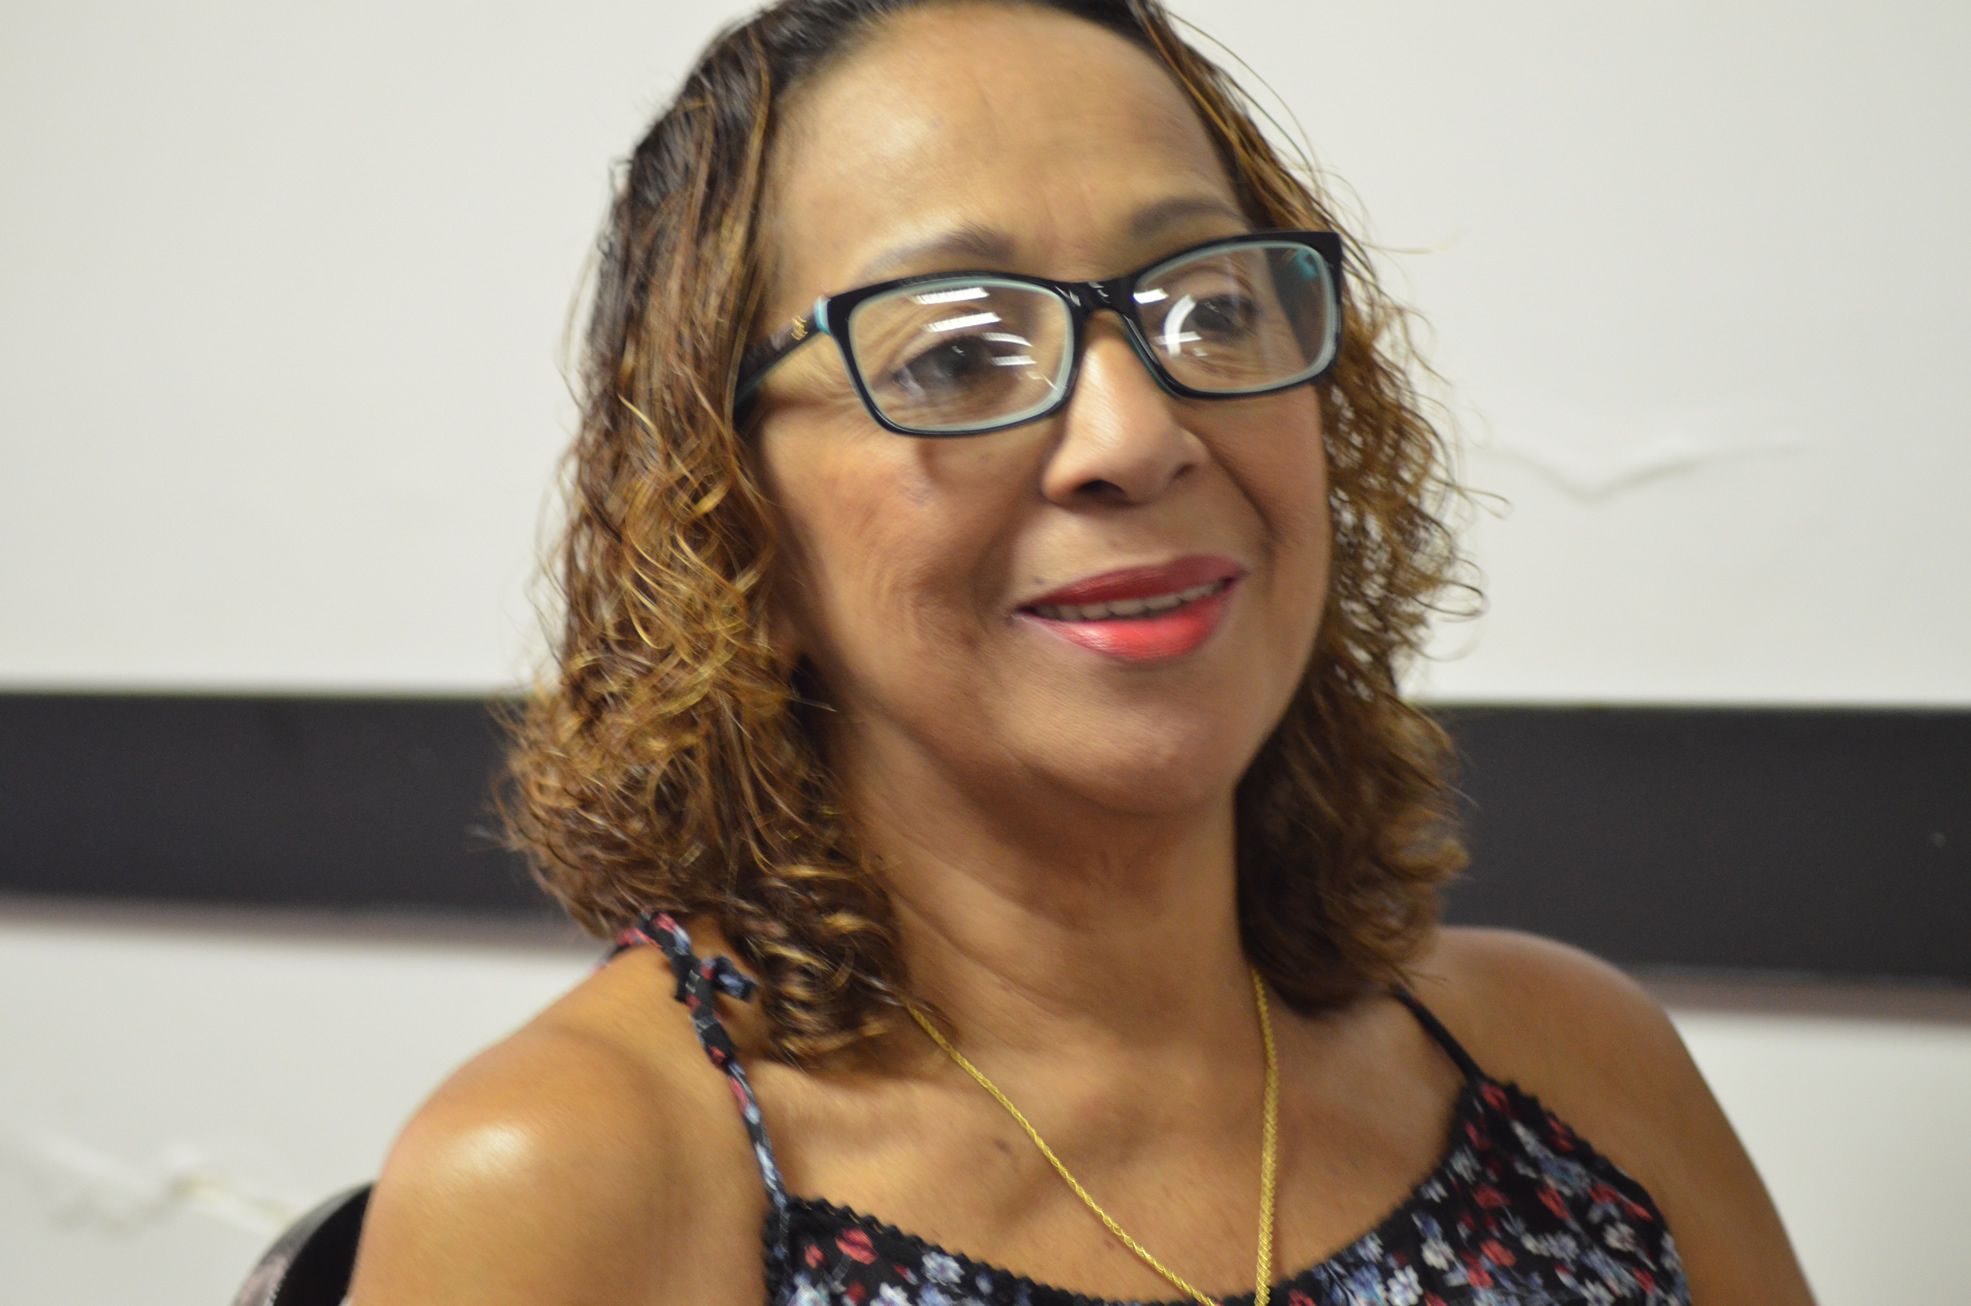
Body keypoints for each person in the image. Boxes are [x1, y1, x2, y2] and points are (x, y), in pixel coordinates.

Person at [347, 1, 1816, 1302]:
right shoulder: (577, 1176)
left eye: (1211, 309)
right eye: (956, 353)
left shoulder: (1570, 1066)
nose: (1136, 432)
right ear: (734, 529)